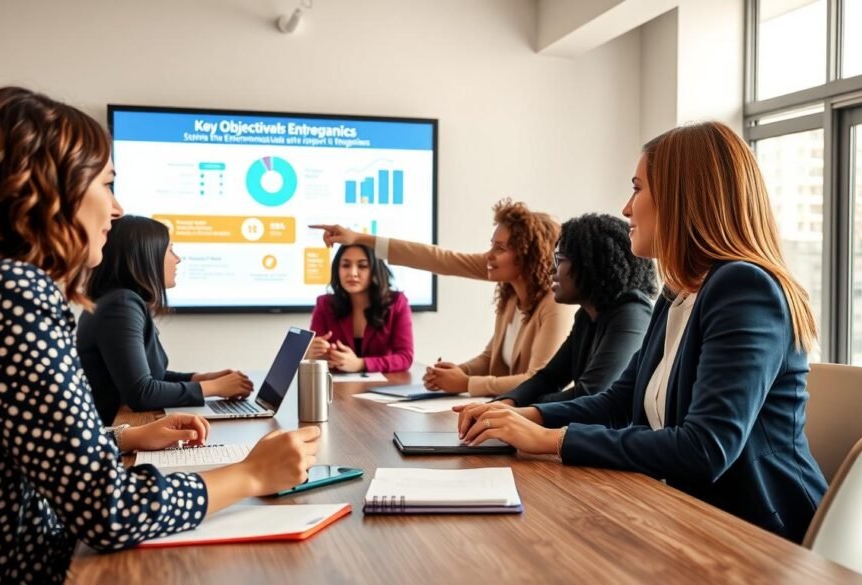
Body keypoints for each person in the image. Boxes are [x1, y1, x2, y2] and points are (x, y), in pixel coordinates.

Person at [0, 87, 319, 585]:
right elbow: (108, 510)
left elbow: (21, 443)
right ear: (43, 188)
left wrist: (120, 436)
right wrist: (251, 474)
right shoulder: (9, 292)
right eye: (106, 183)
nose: (118, 207)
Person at [455, 121, 828, 543]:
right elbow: (620, 400)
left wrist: (548, 439)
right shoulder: (677, 292)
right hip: (682, 511)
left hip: (758, 533)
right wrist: (528, 416)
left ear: (680, 198)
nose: (627, 207)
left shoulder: (744, 287)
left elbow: (705, 449)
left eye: (637, 188)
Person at [312, 199, 573, 397]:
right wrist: (454, 373)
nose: (489, 255)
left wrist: (466, 383)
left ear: (529, 255)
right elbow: (436, 258)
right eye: (491, 244)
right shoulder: (509, 295)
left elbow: (539, 380)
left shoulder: (554, 305)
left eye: (500, 248)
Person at [78, 215, 253, 425]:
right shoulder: (121, 305)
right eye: (170, 250)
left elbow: (152, 376)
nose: (177, 259)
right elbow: (142, 393)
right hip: (111, 436)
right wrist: (215, 388)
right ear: (146, 256)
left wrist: (203, 378)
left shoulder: (118, 301)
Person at [495, 214, 658, 406]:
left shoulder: (632, 314)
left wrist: (522, 410)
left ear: (590, 264)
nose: (551, 271)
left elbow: (590, 394)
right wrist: (506, 403)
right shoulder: (587, 315)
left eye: (560, 260)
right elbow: (549, 378)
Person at [308, 244, 414, 373]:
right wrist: (312, 354)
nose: (352, 273)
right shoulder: (324, 304)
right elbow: (316, 357)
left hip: (384, 387)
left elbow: (405, 357)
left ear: (375, 270)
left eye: (363, 266)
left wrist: (360, 364)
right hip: (336, 386)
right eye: (345, 265)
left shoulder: (397, 302)